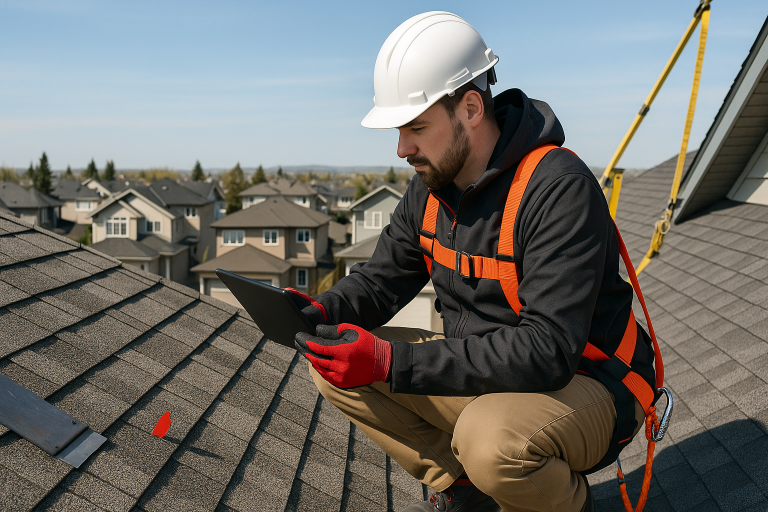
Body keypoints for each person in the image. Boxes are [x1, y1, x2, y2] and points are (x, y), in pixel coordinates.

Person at [288, 11, 657, 512]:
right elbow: (379, 282)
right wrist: (322, 312)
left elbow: (548, 350)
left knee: (491, 443)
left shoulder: (557, 190)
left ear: (470, 107)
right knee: (332, 362)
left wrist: (392, 360)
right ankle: (466, 494)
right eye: (399, 130)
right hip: (490, 376)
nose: (402, 148)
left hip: (590, 385)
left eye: (416, 126)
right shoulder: (431, 190)